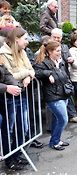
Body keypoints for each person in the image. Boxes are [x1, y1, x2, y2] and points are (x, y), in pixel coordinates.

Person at [0, 27, 35, 170]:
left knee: (23, 127)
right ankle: (9, 158)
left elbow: (32, 69)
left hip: (22, 93)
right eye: (25, 39)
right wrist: (26, 73)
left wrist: (28, 74)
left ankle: (17, 153)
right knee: (9, 129)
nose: (27, 42)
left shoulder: (22, 52)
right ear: (17, 40)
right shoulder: (3, 53)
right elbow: (9, 76)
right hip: (8, 97)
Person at [34, 41, 71, 151]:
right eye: (58, 51)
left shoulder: (60, 61)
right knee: (63, 119)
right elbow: (36, 71)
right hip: (52, 95)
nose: (60, 53)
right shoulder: (43, 62)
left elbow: (65, 74)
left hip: (63, 93)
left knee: (57, 119)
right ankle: (54, 141)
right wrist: (48, 73)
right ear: (50, 51)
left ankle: (56, 140)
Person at [50, 28, 77, 123]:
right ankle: (55, 124)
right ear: (51, 37)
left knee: (68, 95)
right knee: (55, 101)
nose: (56, 39)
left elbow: (69, 58)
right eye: (54, 37)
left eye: (58, 37)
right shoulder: (47, 47)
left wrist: (71, 59)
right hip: (53, 76)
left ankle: (72, 116)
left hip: (64, 75)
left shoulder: (64, 47)